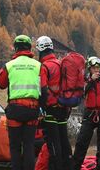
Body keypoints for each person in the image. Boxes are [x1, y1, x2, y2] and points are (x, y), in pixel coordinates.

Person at [0, 35, 43, 170]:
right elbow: (44, 87)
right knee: (29, 145)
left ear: (16, 48)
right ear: (29, 47)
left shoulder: (9, 65)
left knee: (15, 146)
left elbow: (0, 84)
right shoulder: (38, 65)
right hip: (32, 109)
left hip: (15, 110)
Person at [36, 36, 72, 170]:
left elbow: (43, 90)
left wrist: (41, 107)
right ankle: (68, 166)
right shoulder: (61, 64)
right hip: (63, 108)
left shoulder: (44, 66)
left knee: (53, 143)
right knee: (64, 141)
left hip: (51, 109)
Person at [72, 56, 100, 170]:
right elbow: (81, 93)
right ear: (89, 69)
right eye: (93, 68)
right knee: (81, 142)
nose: (96, 70)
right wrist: (91, 80)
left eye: (98, 68)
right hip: (89, 113)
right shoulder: (85, 81)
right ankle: (75, 167)